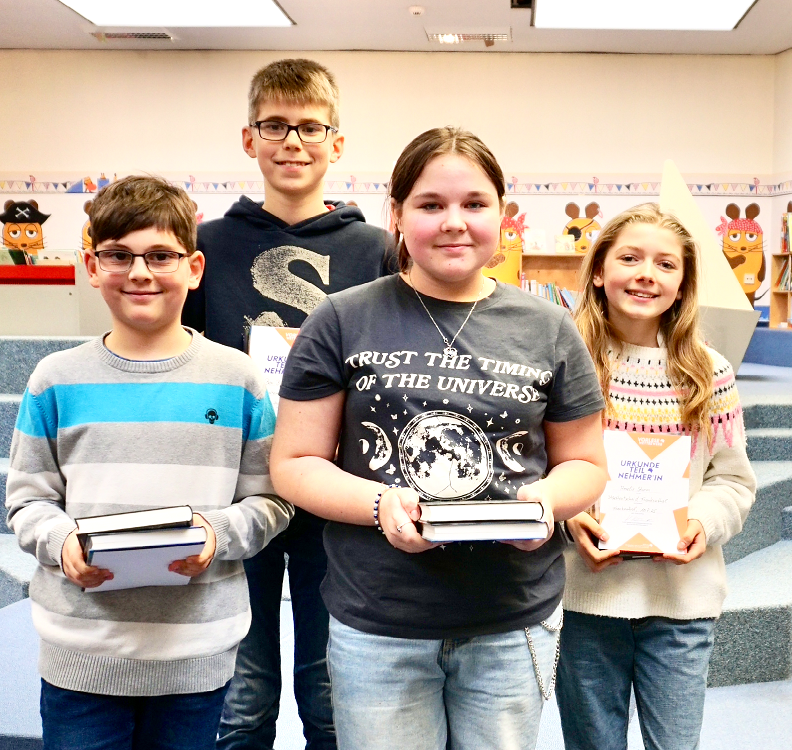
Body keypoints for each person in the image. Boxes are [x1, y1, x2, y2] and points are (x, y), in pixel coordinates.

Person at [269, 126, 609, 750]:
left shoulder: (550, 327)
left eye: (475, 204)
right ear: (396, 215)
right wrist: (380, 505)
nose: (455, 222)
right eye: (430, 205)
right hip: (380, 622)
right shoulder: (341, 319)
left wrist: (542, 504)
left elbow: (585, 463)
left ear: (503, 214)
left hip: (511, 620)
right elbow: (293, 461)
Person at [5, 175, 293, 750]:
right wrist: (62, 542)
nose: (140, 273)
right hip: (80, 654)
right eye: (119, 255)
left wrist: (218, 534)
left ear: (194, 268)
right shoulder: (54, 380)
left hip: (195, 655)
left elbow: (272, 499)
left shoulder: (237, 379)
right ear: (92, 264)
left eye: (160, 255)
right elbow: (27, 499)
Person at [180, 58, 393, 750]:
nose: (292, 142)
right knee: (241, 695)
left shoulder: (376, 250)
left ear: (337, 142)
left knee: (331, 690)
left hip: (337, 492)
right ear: (249, 139)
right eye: (275, 126)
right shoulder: (208, 244)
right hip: (234, 488)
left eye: (309, 127)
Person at [554, 204, 757, 750]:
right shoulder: (562, 362)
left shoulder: (707, 371)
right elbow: (540, 470)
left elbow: (733, 483)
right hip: (586, 600)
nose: (648, 273)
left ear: (682, 283)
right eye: (630, 258)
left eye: (666, 264)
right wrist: (570, 519)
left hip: (681, 604)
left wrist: (701, 523)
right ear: (598, 270)